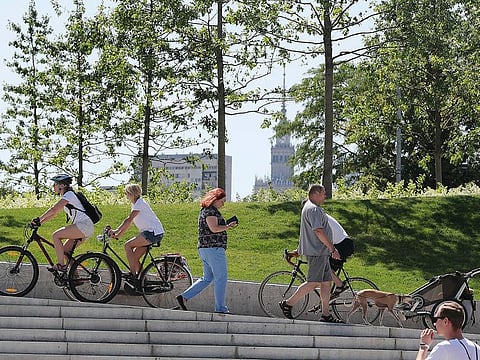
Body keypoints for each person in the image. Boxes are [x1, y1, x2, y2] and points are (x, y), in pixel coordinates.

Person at [279, 184, 342, 323]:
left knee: (326, 283)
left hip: (320, 252)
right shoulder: (313, 209)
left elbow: (306, 232)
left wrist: (299, 249)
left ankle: (325, 314)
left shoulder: (310, 208)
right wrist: (332, 249)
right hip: (317, 252)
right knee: (313, 282)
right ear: (316, 193)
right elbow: (318, 231)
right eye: (324, 193)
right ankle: (288, 304)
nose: (325, 196)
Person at [176, 187, 238, 314]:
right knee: (221, 277)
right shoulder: (210, 211)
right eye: (222, 200)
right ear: (214, 199)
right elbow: (214, 228)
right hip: (213, 248)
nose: (223, 203)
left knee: (207, 278)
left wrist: (225, 226)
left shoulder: (207, 210)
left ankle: (184, 297)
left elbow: (213, 227)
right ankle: (220, 308)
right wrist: (227, 226)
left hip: (206, 249)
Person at [32, 174, 94, 272]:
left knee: (56, 235)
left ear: (62, 185)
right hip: (85, 227)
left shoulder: (69, 194)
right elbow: (54, 213)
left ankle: (61, 265)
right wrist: (40, 222)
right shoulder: (67, 196)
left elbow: (53, 209)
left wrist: (39, 219)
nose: (53, 186)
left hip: (84, 225)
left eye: (55, 184)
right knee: (65, 251)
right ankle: (74, 278)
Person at [108, 183, 164, 283]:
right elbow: (130, 223)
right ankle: (143, 281)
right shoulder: (135, 204)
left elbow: (129, 220)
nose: (125, 195)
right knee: (134, 257)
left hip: (152, 233)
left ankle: (133, 275)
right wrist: (118, 235)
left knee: (127, 245)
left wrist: (116, 231)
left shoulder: (140, 203)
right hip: (150, 233)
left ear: (132, 193)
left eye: (126, 193)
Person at [327, 214, 355, 295]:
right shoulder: (320, 216)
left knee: (323, 268)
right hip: (344, 244)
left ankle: (340, 285)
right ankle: (327, 300)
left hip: (341, 246)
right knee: (326, 276)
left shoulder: (317, 218)